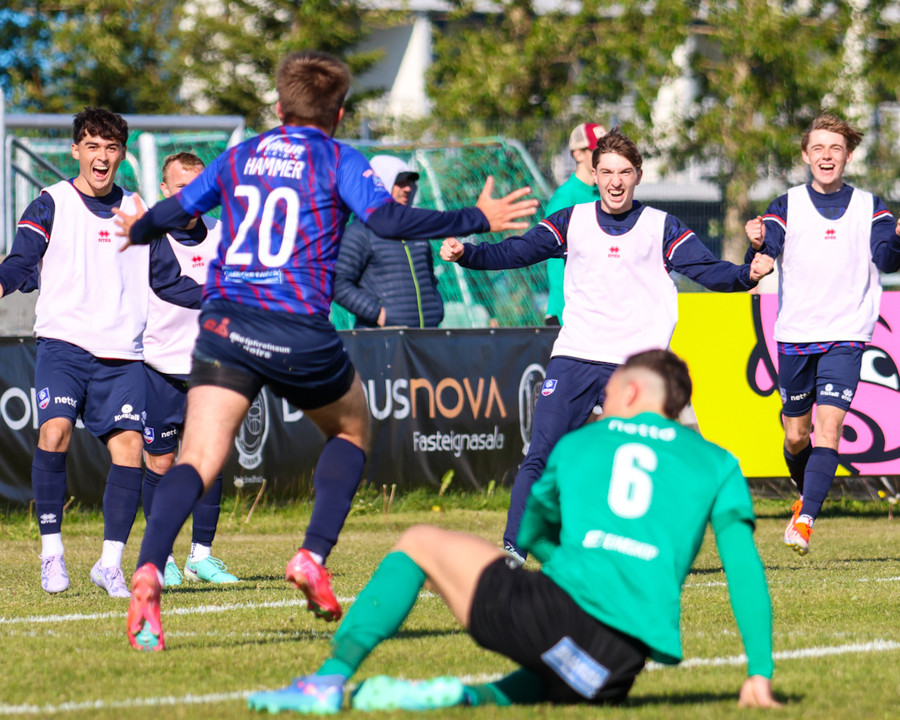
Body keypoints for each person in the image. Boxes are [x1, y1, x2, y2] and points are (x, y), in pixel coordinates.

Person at [114, 49, 538, 651]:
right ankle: (312, 555)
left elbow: (175, 210)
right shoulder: (338, 158)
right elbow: (387, 221)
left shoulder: (239, 156)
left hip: (227, 321)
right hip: (296, 327)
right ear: (338, 114)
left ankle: (150, 569)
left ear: (279, 107)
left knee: (199, 456)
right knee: (351, 431)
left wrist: (135, 228)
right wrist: (474, 217)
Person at [246, 349, 780, 714]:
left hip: (557, 620)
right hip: (616, 667)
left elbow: (531, 529)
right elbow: (743, 568)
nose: (604, 398)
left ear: (635, 390)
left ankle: (328, 680)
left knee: (419, 542)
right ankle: (464, 699)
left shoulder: (581, 443)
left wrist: (563, 561)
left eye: (612, 388)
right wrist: (758, 671)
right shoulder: (718, 462)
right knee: (554, 668)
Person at [442, 128, 774, 562]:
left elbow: (710, 272)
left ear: (638, 176)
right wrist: (468, 254)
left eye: (624, 172)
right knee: (541, 454)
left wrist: (748, 274)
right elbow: (517, 252)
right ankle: (514, 550)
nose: (615, 181)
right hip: (576, 357)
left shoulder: (662, 227)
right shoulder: (571, 220)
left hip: (637, 368)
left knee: (647, 463)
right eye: (607, 172)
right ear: (594, 175)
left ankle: (643, 549)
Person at [0, 108, 199, 597]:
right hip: (64, 345)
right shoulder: (51, 202)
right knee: (55, 431)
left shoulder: (138, 210)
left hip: (123, 354)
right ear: (76, 151)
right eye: (92, 146)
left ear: (122, 155)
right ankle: (52, 554)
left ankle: (109, 565)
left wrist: (226, 297)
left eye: (111, 148)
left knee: (130, 451)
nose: (101, 157)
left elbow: (168, 280)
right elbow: (20, 263)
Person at [744, 112, 900, 555]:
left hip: (847, 334)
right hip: (796, 334)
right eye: (818, 148)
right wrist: (759, 247)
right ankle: (806, 494)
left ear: (848, 156)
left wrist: (898, 238)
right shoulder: (785, 204)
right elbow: (770, 244)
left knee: (829, 427)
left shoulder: (872, 206)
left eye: (835, 148)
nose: (826, 156)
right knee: (797, 435)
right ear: (805, 155)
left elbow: (886, 259)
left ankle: (805, 520)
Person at [142, 152, 238, 586]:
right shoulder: (151, 236)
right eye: (181, 187)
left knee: (209, 461)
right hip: (159, 367)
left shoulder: (223, 232)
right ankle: (160, 556)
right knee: (161, 463)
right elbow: (170, 286)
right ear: (165, 190)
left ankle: (201, 557)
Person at [333, 155, 444, 328]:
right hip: (382, 338)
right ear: (381, 183)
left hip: (426, 336)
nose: (407, 188)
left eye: (411, 182)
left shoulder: (417, 230)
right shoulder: (360, 232)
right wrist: (378, 314)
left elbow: (429, 278)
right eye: (400, 182)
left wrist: (436, 308)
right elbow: (337, 283)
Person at [544, 122, 605, 325]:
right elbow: (555, 262)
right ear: (578, 154)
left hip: (597, 311)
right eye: (597, 151)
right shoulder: (565, 199)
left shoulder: (606, 196)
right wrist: (565, 314)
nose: (604, 156)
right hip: (570, 315)